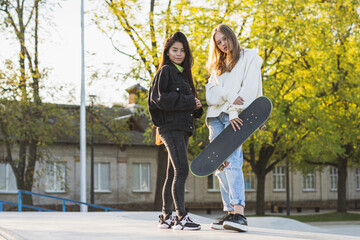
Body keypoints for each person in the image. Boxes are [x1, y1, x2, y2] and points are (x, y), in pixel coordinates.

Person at [205, 24, 263, 232]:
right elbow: (210, 94)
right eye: (218, 42)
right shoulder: (216, 66)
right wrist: (228, 95)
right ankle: (229, 212)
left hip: (234, 118)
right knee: (220, 168)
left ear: (232, 36)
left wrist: (235, 111)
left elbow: (249, 88)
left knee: (233, 162)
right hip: (214, 118)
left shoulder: (249, 57)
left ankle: (239, 214)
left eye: (224, 39)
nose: (223, 45)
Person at [148, 32, 203, 230]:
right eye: (174, 50)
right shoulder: (165, 71)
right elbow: (158, 99)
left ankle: (167, 216)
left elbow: (187, 105)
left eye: (182, 50)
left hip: (182, 129)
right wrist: (189, 101)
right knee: (182, 170)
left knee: (172, 173)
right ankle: (181, 217)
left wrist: (196, 106)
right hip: (170, 128)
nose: (179, 54)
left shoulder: (184, 75)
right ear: (168, 52)